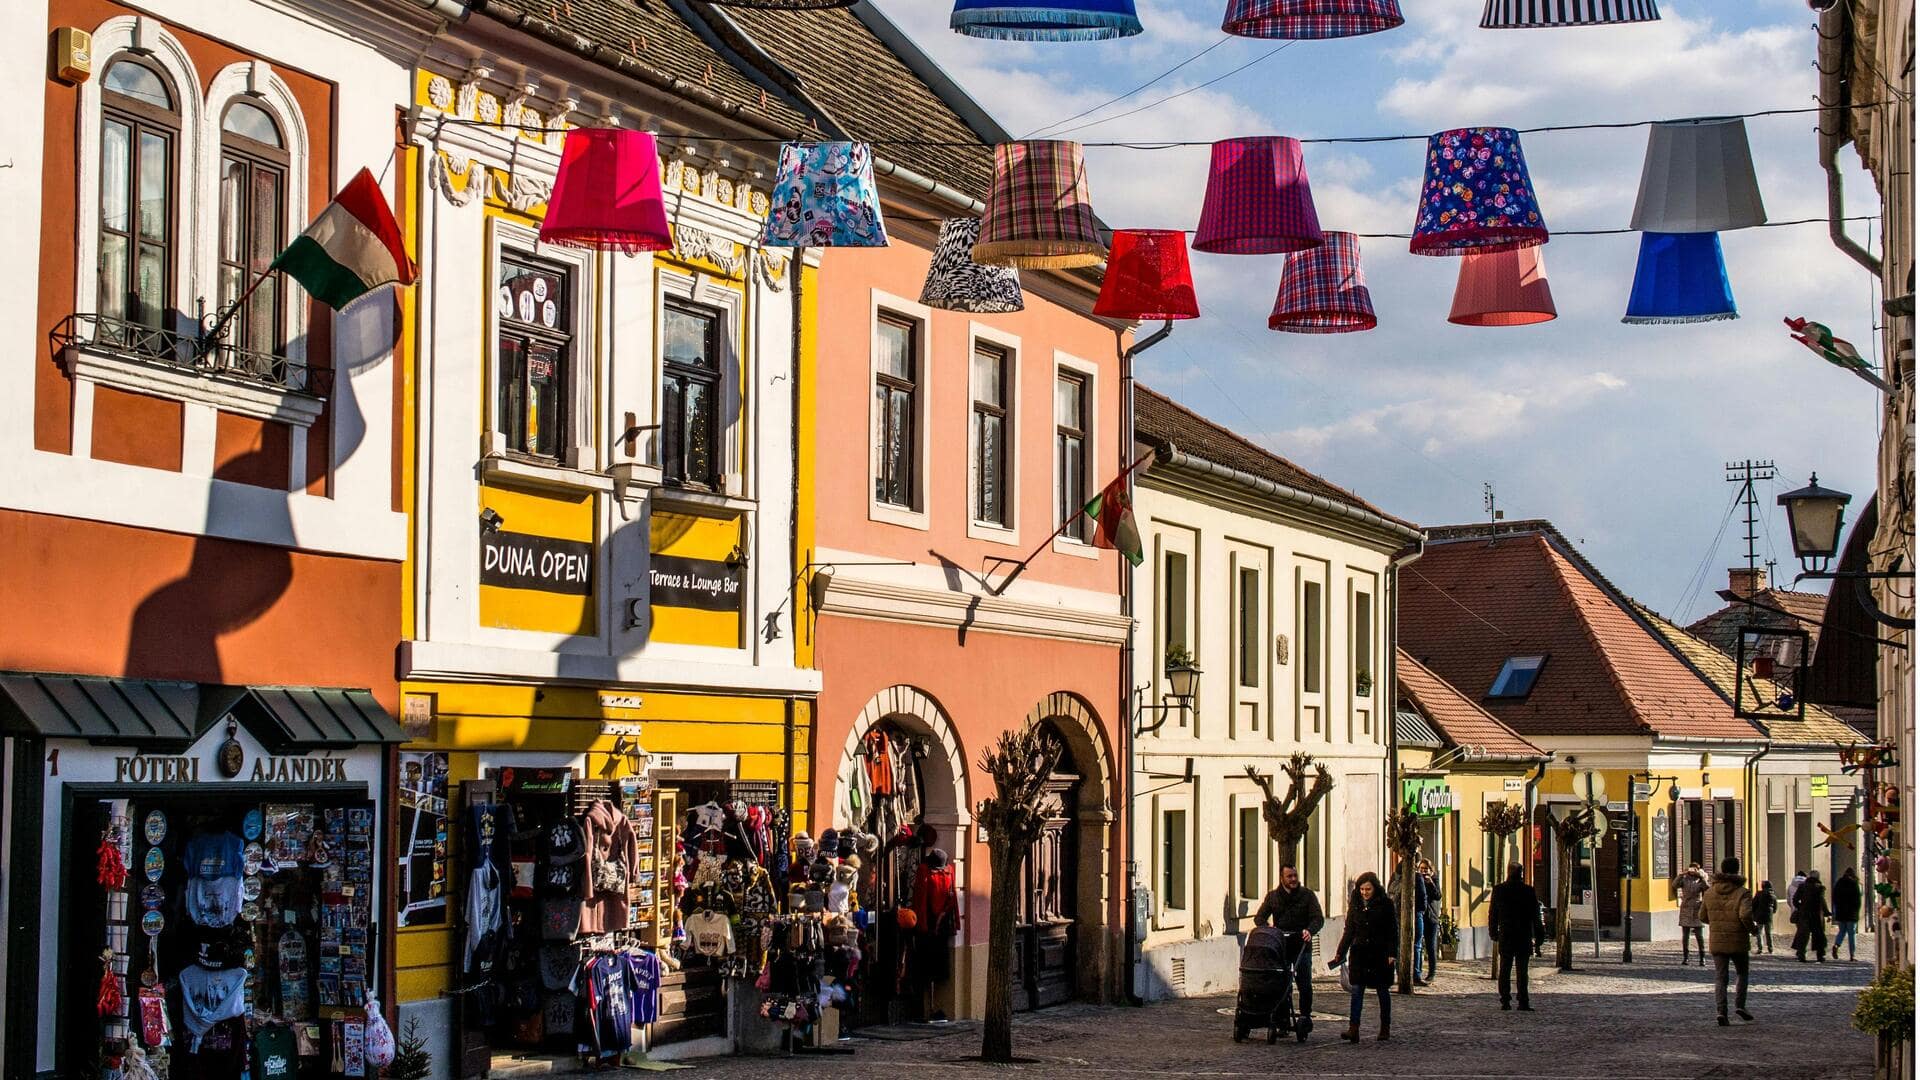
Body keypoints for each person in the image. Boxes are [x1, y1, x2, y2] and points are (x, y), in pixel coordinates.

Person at [1330, 871, 1397, 1043]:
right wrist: (1341, 951)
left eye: (1368, 889)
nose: (1364, 892)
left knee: (1382, 990)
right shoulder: (1355, 905)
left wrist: (1392, 953)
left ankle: (1385, 1027)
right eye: (1362, 889)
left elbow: (1392, 930)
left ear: (1375, 888)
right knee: (1357, 990)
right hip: (1360, 953)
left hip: (1380, 953)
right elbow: (1349, 930)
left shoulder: (1386, 904)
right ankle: (1354, 1028)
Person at [1253, 864, 1325, 1024]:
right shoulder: (1273, 897)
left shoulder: (1307, 895)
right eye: (1289, 876)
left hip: (1301, 945)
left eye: (1295, 875)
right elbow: (1259, 917)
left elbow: (1318, 918)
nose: (1293, 879)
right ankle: (1282, 1018)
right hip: (1281, 945)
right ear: (1282, 878)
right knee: (1281, 983)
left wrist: (1309, 930)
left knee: (1304, 983)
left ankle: (1305, 1015)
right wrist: (1268, 928)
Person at [1700, 857, 1756, 1026]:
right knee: (1742, 973)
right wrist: (1752, 929)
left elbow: (1702, 916)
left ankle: (1721, 1011)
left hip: (1717, 940)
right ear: (1737, 870)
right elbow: (1745, 915)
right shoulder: (1742, 892)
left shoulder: (1710, 892)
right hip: (1738, 939)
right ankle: (1740, 1005)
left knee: (1720, 977)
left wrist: (1716, 923)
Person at [1488, 863, 1539, 1012]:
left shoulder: (1499, 890)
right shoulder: (1528, 891)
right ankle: (1523, 1001)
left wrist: (1493, 932)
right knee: (1522, 970)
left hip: (1506, 935)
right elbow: (1534, 915)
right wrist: (1539, 935)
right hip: (1523, 935)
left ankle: (1505, 1000)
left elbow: (1493, 914)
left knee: (1505, 968)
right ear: (1521, 873)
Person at [1674, 862, 1709, 966]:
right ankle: (1686, 957)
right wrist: (1681, 875)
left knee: (1699, 936)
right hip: (1685, 908)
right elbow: (1675, 885)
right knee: (1685, 936)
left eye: (1695, 869)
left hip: (1697, 909)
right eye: (1691, 868)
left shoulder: (1701, 879)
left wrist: (1702, 877)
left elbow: (1707, 888)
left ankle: (1702, 958)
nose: (1692, 871)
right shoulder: (1684, 879)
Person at [1791, 869, 1829, 962]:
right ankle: (1820, 956)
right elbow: (1822, 901)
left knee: (1803, 935)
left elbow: (1795, 899)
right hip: (1816, 914)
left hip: (1804, 914)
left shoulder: (1802, 887)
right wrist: (1827, 912)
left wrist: (1800, 907)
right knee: (1819, 935)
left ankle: (1801, 954)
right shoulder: (1819, 887)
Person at [1413, 858, 1441, 985]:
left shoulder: (1434, 879)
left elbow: (1438, 895)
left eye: (1426, 869)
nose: (1423, 871)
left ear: (1431, 870)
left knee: (1430, 946)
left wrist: (1430, 883)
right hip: (1419, 916)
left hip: (1431, 917)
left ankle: (1432, 972)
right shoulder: (1416, 879)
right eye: (1421, 868)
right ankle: (1416, 972)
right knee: (1418, 945)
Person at [1831, 866, 1863, 961]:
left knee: (1842, 931)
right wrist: (1856, 911)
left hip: (1841, 912)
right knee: (1851, 934)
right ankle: (1852, 955)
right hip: (1851, 913)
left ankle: (1836, 945)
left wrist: (1836, 909)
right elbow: (1858, 900)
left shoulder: (1839, 883)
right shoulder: (1854, 884)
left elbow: (1834, 897)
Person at [1751, 881, 1779, 954]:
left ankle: (1760, 948)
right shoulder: (1773, 895)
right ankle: (1770, 948)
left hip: (1759, 915)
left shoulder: (1759, 894)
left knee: (1759, 932)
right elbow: (1775, 907)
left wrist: (1753, 913)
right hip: (1768, 915)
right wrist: (1772, 912)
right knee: (1768, 932)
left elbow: (1753, 904)